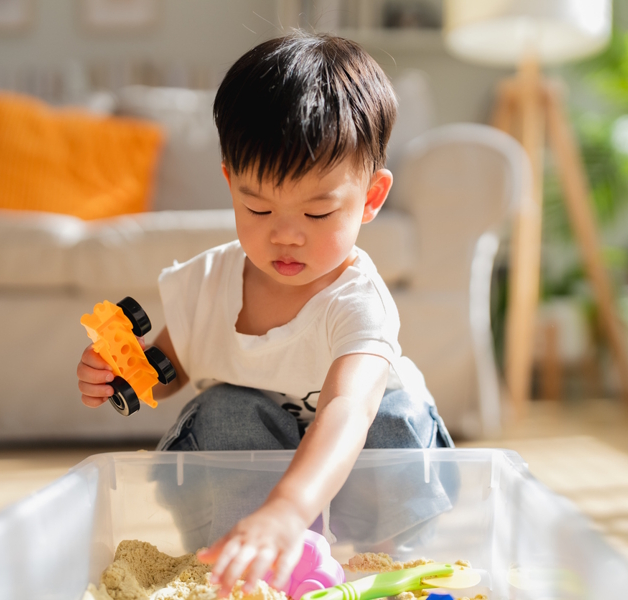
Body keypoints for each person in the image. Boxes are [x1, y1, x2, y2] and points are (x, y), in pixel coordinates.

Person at [75, 31, 454, 598]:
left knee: (391, 418)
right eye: (257, 206)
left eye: (319, 212)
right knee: (222, 408)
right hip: (253, 480)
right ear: (230, 181)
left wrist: (288, 509)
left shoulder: (357, 303)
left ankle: (389, 559)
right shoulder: (211, 281)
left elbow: (348, 409)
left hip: (364, 482)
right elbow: (172, 364)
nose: (285, 234)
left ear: (371, 199)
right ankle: (238, 555)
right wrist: (121, 373)